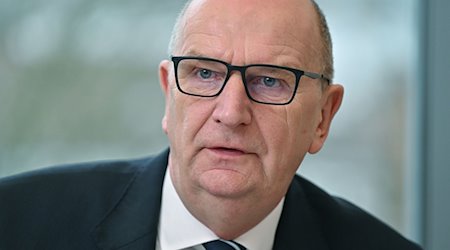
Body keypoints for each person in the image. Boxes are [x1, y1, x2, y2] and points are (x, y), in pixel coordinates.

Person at [0, 0, 422, 249]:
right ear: (170, 91)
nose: (231, 112)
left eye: (270, 80)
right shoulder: (16, 223)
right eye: (205, 74)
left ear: (322, 118)